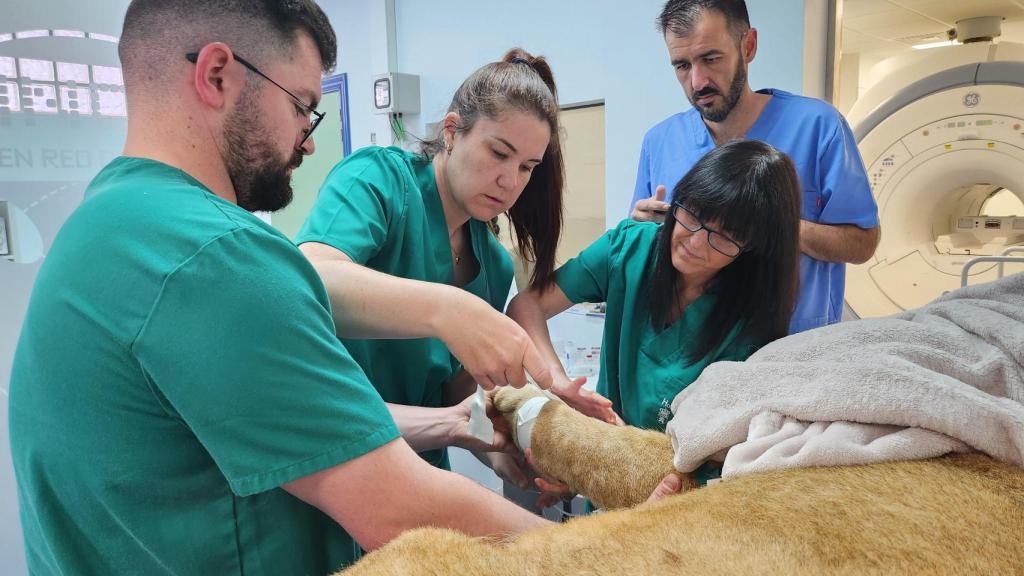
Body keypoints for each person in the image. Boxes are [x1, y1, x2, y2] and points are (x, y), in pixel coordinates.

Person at [8, 2, 555, 574]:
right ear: (217, 75)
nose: (309, 141)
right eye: (302, 107)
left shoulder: (103, 223)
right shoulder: (218, 258)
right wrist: (617, 547)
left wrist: (471, 425)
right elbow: (394, 505)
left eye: (528, 167)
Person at [295, 49, 564, 485]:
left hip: (419, 473)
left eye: (527, 168)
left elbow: (455, 399)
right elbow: (310, 280)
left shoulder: (492, 264)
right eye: (499, 153)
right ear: (453, 132)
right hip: (331, 465)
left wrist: (497, 455)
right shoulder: (379, 180)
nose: (510, 181)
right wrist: (448, 311)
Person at [508, 139, 802, 492]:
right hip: (603, 464)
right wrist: (557, 382)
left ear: (752, 247)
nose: (695, 243)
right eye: (692, 214)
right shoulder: (630, 247)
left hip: (678, 496)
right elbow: (526, 305)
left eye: (725, 237)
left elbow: (722, 458)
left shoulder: (752, 324)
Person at [630, 0, 880, 333]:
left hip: (794, 349)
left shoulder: (818, 126)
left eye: (711, 59)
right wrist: (643, 230)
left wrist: (778, 227)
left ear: (748, 46)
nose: (697, 81)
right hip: (690, 350)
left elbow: (863, 243)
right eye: (682, 65)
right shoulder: (660, 142)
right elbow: (643, 258)